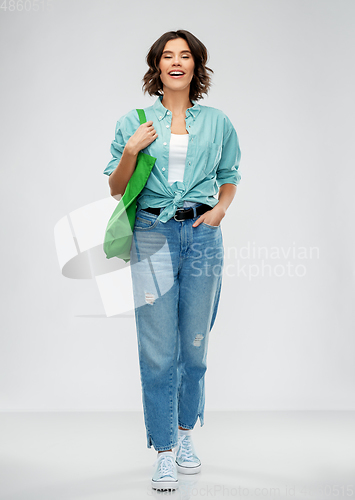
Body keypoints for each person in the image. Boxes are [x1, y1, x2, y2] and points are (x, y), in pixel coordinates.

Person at [103, 29, 241, 491]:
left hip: (202, 236)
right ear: (157, 67)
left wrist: (219, 211)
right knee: (159, 348)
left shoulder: (218, 122)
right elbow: (117, 187)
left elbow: (230, 174)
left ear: (196, 66)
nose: (176, 62)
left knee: (195, 348)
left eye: (185, 55)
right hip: (152, 233)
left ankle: (185, 436)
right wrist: (130, 150)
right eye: (168, 56)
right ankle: (163, 450)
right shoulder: (135, 121)